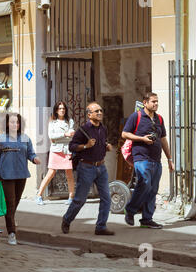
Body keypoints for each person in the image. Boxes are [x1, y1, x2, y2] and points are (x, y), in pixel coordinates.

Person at [61, 102, 115, 236]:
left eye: (101, 110)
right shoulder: (83, 130)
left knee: (106, 198)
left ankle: (101, 227)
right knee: (80, 199)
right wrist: (85, 146)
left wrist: (106, 146)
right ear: (89, 114)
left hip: (101, 167)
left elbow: (102, 143)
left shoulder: (103, 128)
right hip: (86, 167)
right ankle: (67, 219)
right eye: (96, 111)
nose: (100, 113)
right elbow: (72, 147)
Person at [121, 92, 174, 229]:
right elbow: (124, 133)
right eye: (153, 102)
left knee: (153, 189)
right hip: (141, 157)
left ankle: (146, 219)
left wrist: (169, 159)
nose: (156, 104)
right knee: (144, 183)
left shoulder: (159, 119)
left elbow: (163, 140)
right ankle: (131, 210)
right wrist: (142, 139)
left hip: (156, 159)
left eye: (157, 102)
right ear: (145, 102)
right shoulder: (136, 116)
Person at [0, 113, 41, 245]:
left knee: (15, 203)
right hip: (6, 175)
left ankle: (11, 220)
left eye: (17, 122)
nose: (15, 124)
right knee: (10, 203)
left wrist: (34, 158)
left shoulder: (25, 138)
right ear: (7, 124)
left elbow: (31, 153)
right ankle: (11, 233)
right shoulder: (1, 139)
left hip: (21, 174)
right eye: (12, 122)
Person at [36, 101, 75, 205]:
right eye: (60, 108)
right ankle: (39, 195)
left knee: (69, 174)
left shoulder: (69, 121)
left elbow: (71, 135)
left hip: (67, 150)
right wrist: (65, 134)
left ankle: (71, 197)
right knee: (51, 173)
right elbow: (51, 137)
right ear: (56, 110)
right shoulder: (52, 122)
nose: (62, 110)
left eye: (63, 108)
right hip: (56, 150)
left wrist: (63, 136)